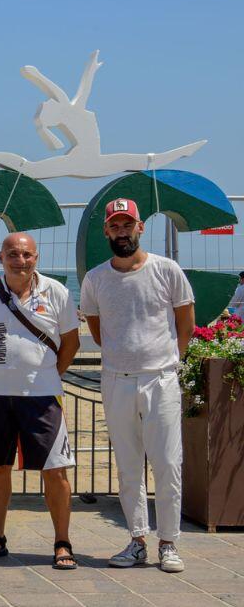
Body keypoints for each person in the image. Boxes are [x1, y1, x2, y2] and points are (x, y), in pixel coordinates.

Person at [80, 198, 194, 573]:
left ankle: (169, 542)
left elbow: (185, 324)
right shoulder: (95, 278)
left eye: (127, 224)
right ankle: (137, 540)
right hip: (116, 380)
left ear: (140, 227)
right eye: (115, 225)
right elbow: (97, 330)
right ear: (106, 231)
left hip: (160, 378)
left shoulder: (167, 269)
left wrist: (167, 362)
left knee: (167, 463)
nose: (122, 231)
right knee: (128, 466)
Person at [0, 233, 80, 569]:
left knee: (55, 470)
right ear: (1, 257)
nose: (21, 260)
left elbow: (71, 342)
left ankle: (62, 542)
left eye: (27, 254)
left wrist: (47, 373)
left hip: (42, 396)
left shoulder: (56, 292)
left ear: (36, 257)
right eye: (13, 254)